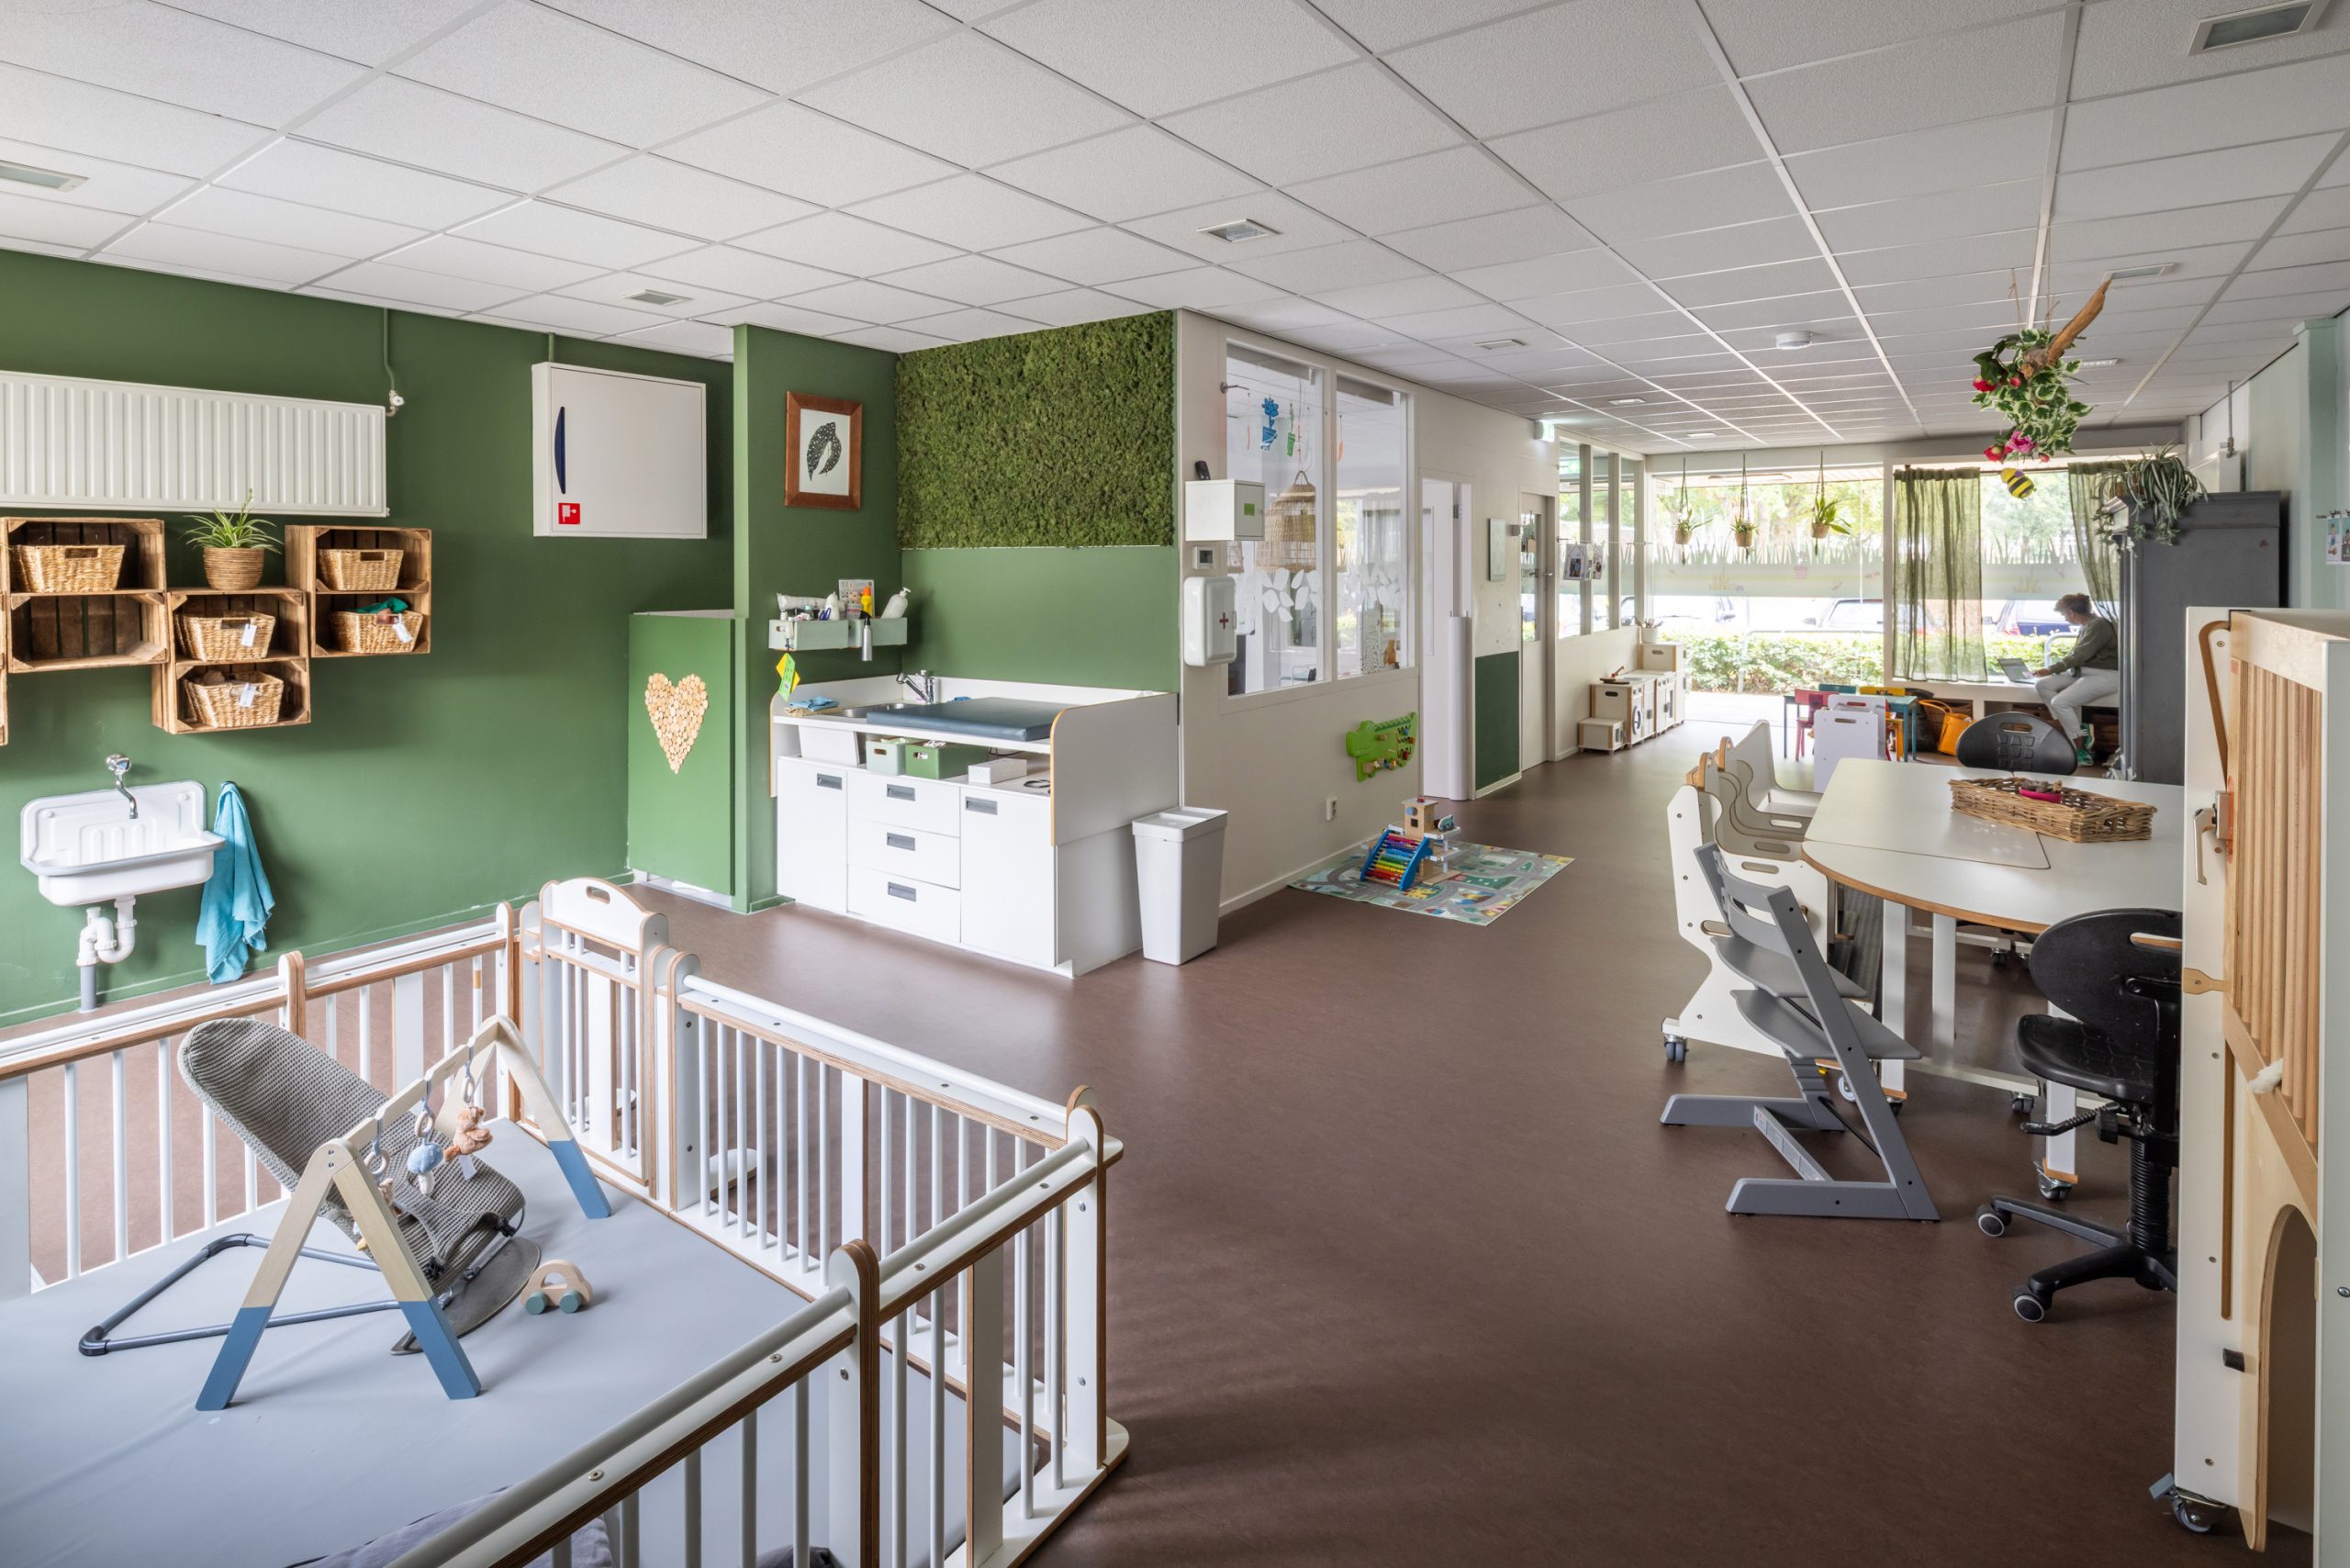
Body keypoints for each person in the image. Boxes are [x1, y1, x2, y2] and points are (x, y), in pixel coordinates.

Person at [2031, 593, 2119, 754]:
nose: (2065, 618)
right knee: (2042, 684)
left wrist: (2051, 669)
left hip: (2105, 675)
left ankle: (2080, 748)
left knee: (2059, 702)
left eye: (2064, 614)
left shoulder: (2098, 625)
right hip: (2083, 673)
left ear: (2071, 613)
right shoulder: (2088, 624)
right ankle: (2073, 727)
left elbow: (2080, 655)